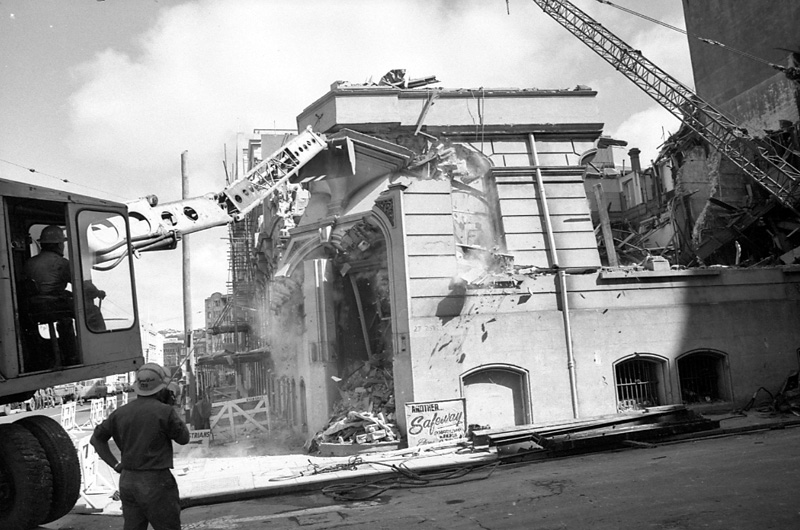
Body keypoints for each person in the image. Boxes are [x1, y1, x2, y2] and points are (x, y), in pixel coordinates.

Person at [90, 363, 190, 530]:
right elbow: (183, 438)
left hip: (128, 480)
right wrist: (172, 407)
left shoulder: (120, 412)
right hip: (156, 481)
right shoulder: (164, 411)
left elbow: (96, 439)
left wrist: (116, 465)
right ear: (160, 388)